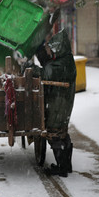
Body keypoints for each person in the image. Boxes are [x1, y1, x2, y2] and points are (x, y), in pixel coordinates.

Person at [23, 28, 76, 177]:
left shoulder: (63, 64)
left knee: (54, 133)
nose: (50, 51)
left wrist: (29, 66)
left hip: (59, 103)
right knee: (62, 132)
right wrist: (39, 48)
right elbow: (47, 63)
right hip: (60, 100)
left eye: (52, 49)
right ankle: (66, 165)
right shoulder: (63, 59)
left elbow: (46, 72)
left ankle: (61, 168)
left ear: (59, 48)